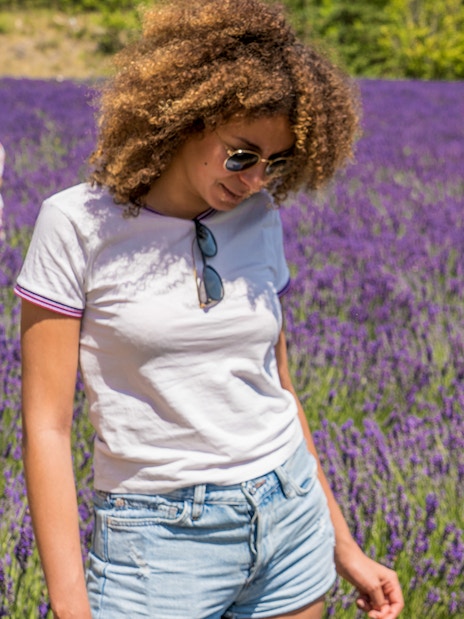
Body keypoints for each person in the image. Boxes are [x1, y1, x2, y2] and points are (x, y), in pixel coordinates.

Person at [16, 1, 404, 618]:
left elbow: (278, 389)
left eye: (274, 164)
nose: (254, 181)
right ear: (192, 115)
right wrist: (70, 607)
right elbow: (47, 429)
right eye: (242, 154)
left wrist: (344, 546)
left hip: (289, 520)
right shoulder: (76, 225)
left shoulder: (259, 219)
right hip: (159, 542)